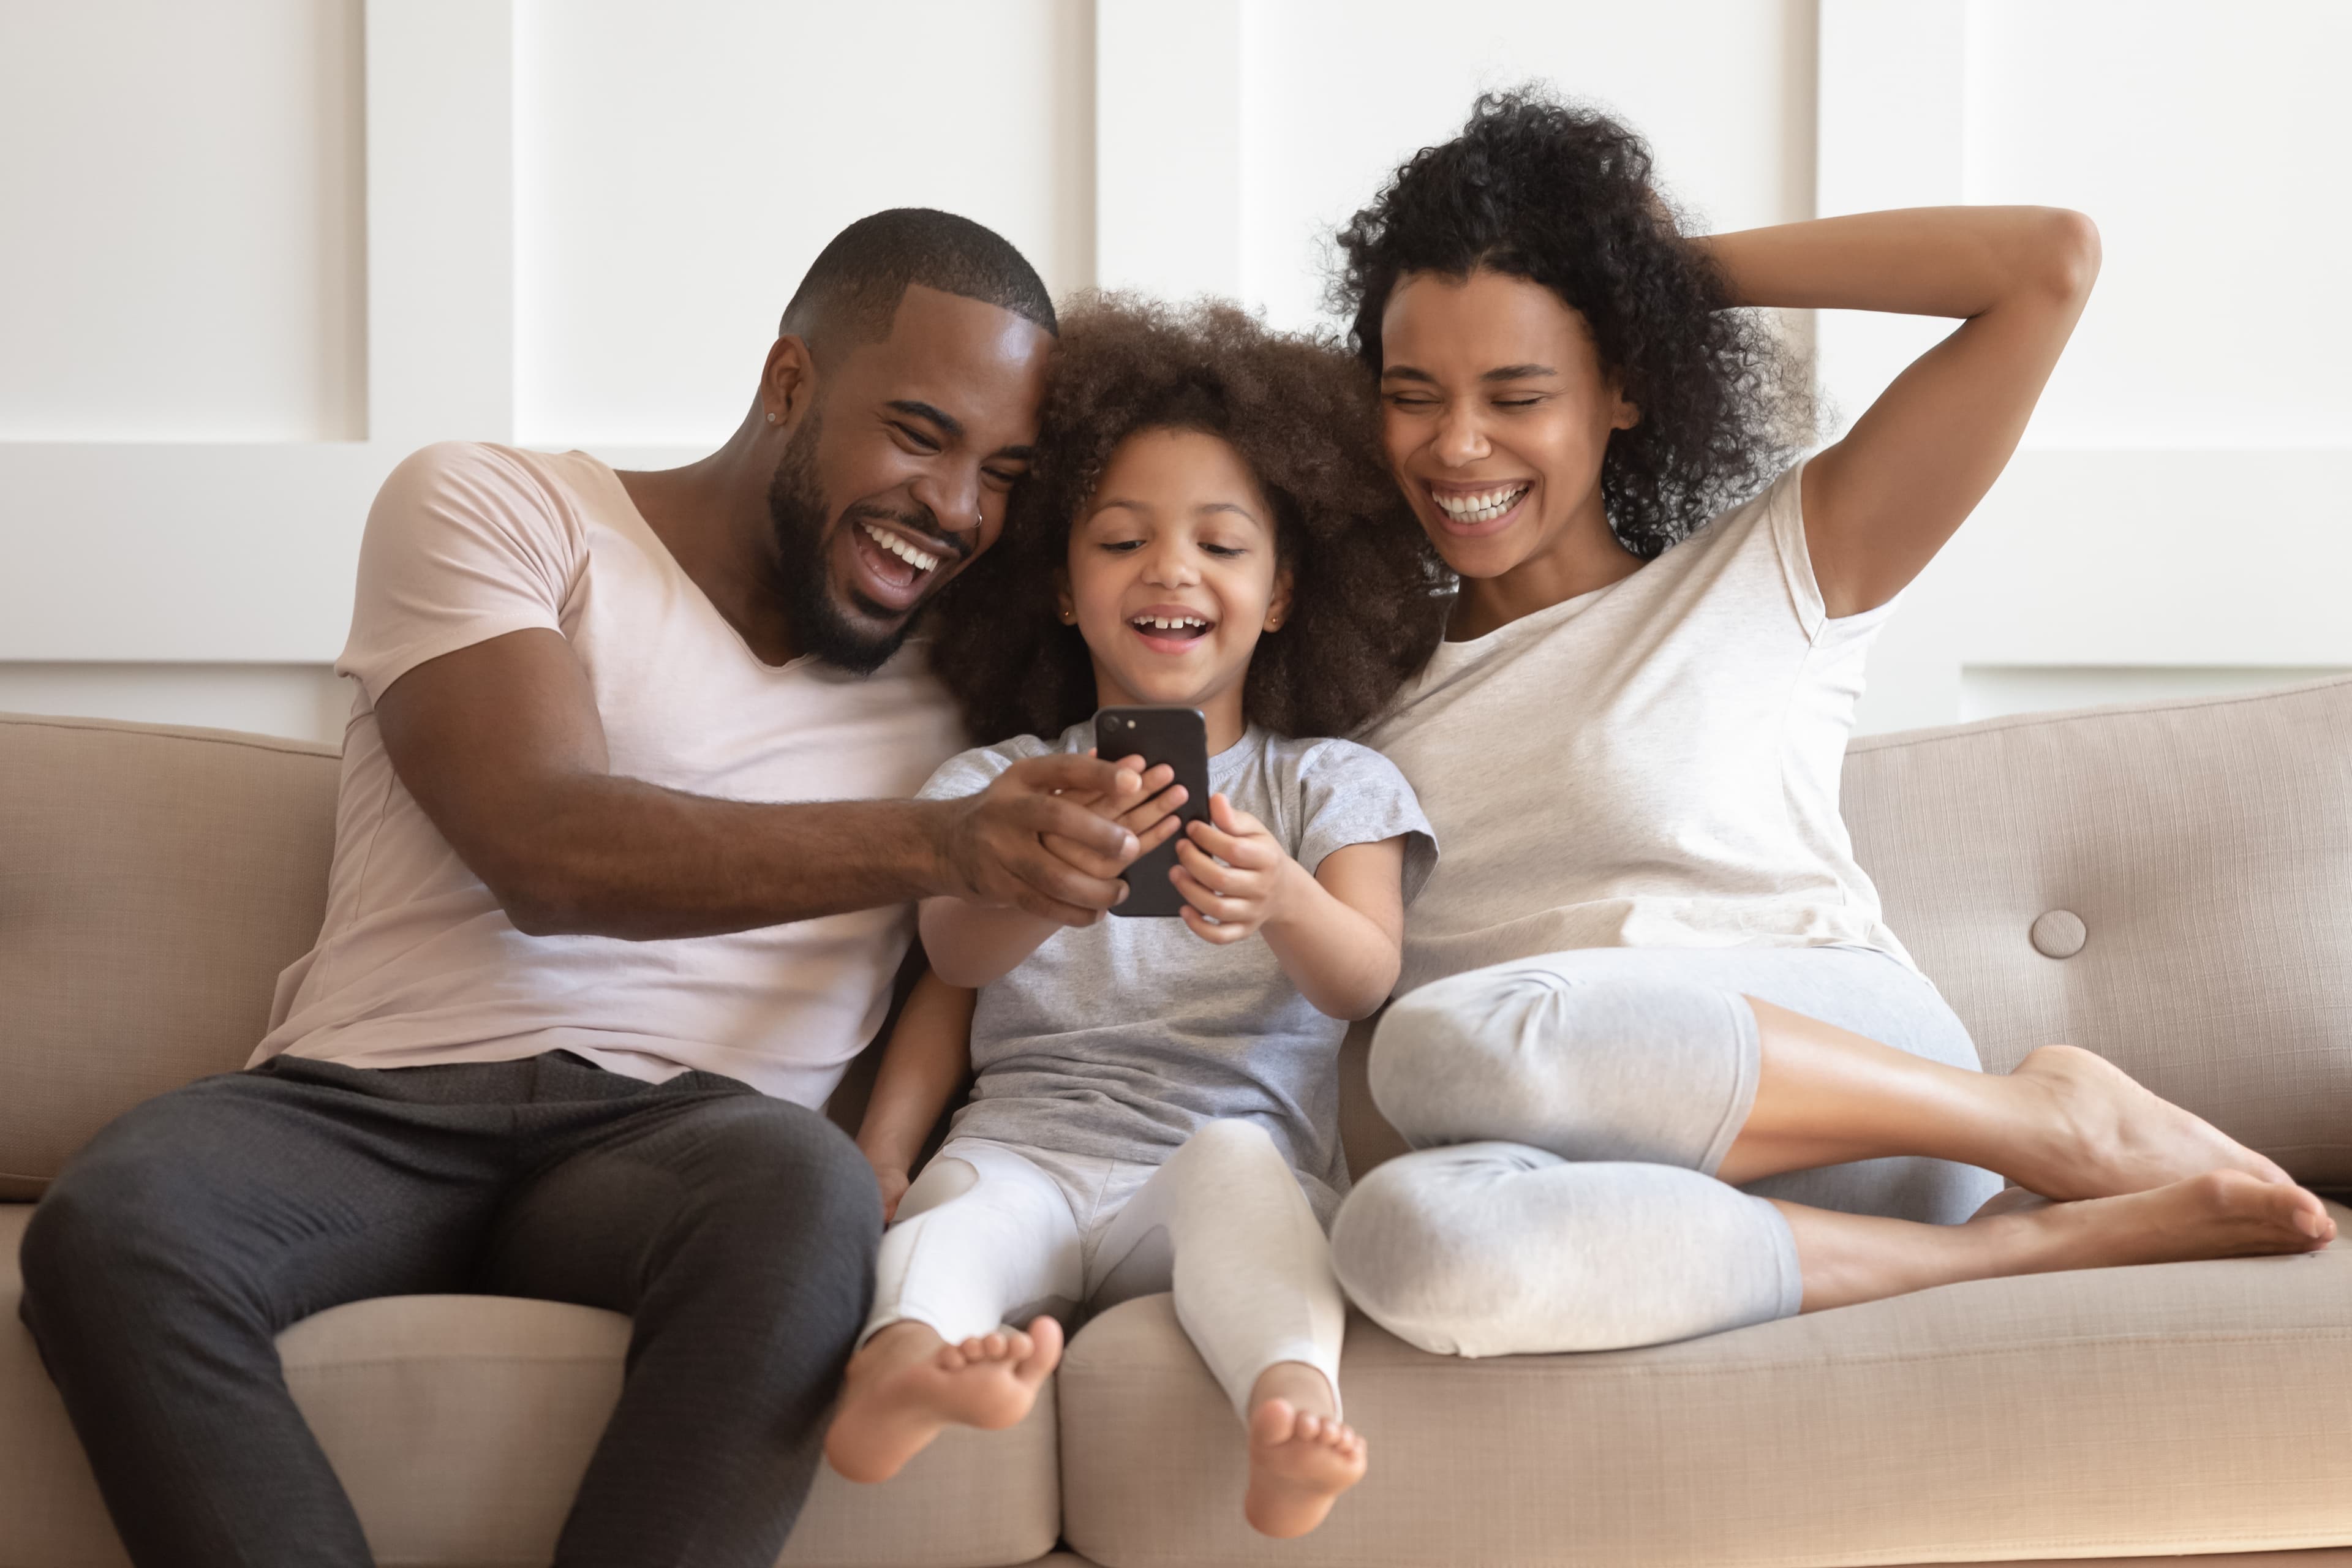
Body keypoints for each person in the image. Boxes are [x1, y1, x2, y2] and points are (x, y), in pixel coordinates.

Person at [16, 209, 1178, 1568]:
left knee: (804, 1195)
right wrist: (940, 841)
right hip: (370, 1109)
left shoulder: (967, 687)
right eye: (920, 433)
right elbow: (545, 846)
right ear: (789, 382)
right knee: (113, 1220)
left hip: (683, 1150)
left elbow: (1217, 579)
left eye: (1006, 475)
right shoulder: (501, 506)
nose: (958, 508)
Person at [1322, 91, 2336, 1360]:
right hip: (1589, 1161)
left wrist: (1644, 274)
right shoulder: (1344, 696)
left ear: (1622, 389)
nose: (1457, 443)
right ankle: (2002, 1247)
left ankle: (2037, 1120)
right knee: (1403, 1235)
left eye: (1518, 392)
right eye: (1414, 393)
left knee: (1443, 1045)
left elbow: (2044, 263)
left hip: (1869, 1108)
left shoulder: (1775, 572)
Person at [821, 298, 1445, 1537]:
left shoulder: (1328, 783)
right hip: (1031, 1142)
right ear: (1060, 588)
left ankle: (1285, 1417)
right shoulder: (998, 785)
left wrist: (1286, 898)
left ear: (1278, 595)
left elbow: (1364, 977)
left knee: (1240, 1181)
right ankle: (899, 1366)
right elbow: (947, 964)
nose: (1172, 571)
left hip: (1224, 1153)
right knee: (969, 1208)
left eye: (1222, 544)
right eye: (1122, 542)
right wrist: (1035, 875)